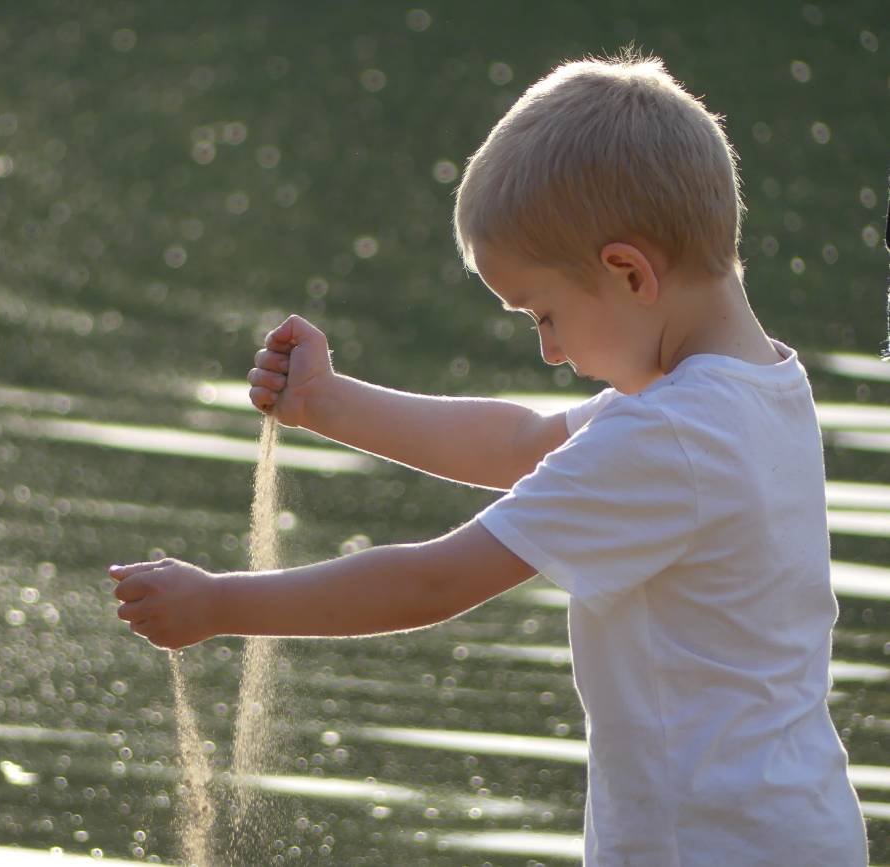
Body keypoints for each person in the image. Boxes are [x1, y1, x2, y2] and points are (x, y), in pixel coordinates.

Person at [108, 51, 869, 865]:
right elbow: (525, 444)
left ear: (628, 272)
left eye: (543, 314)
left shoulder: (672, 435)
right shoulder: (754, 388)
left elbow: (434, 578)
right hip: (800, 828)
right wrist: (325, 403)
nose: (548, 350)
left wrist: (220, 602)